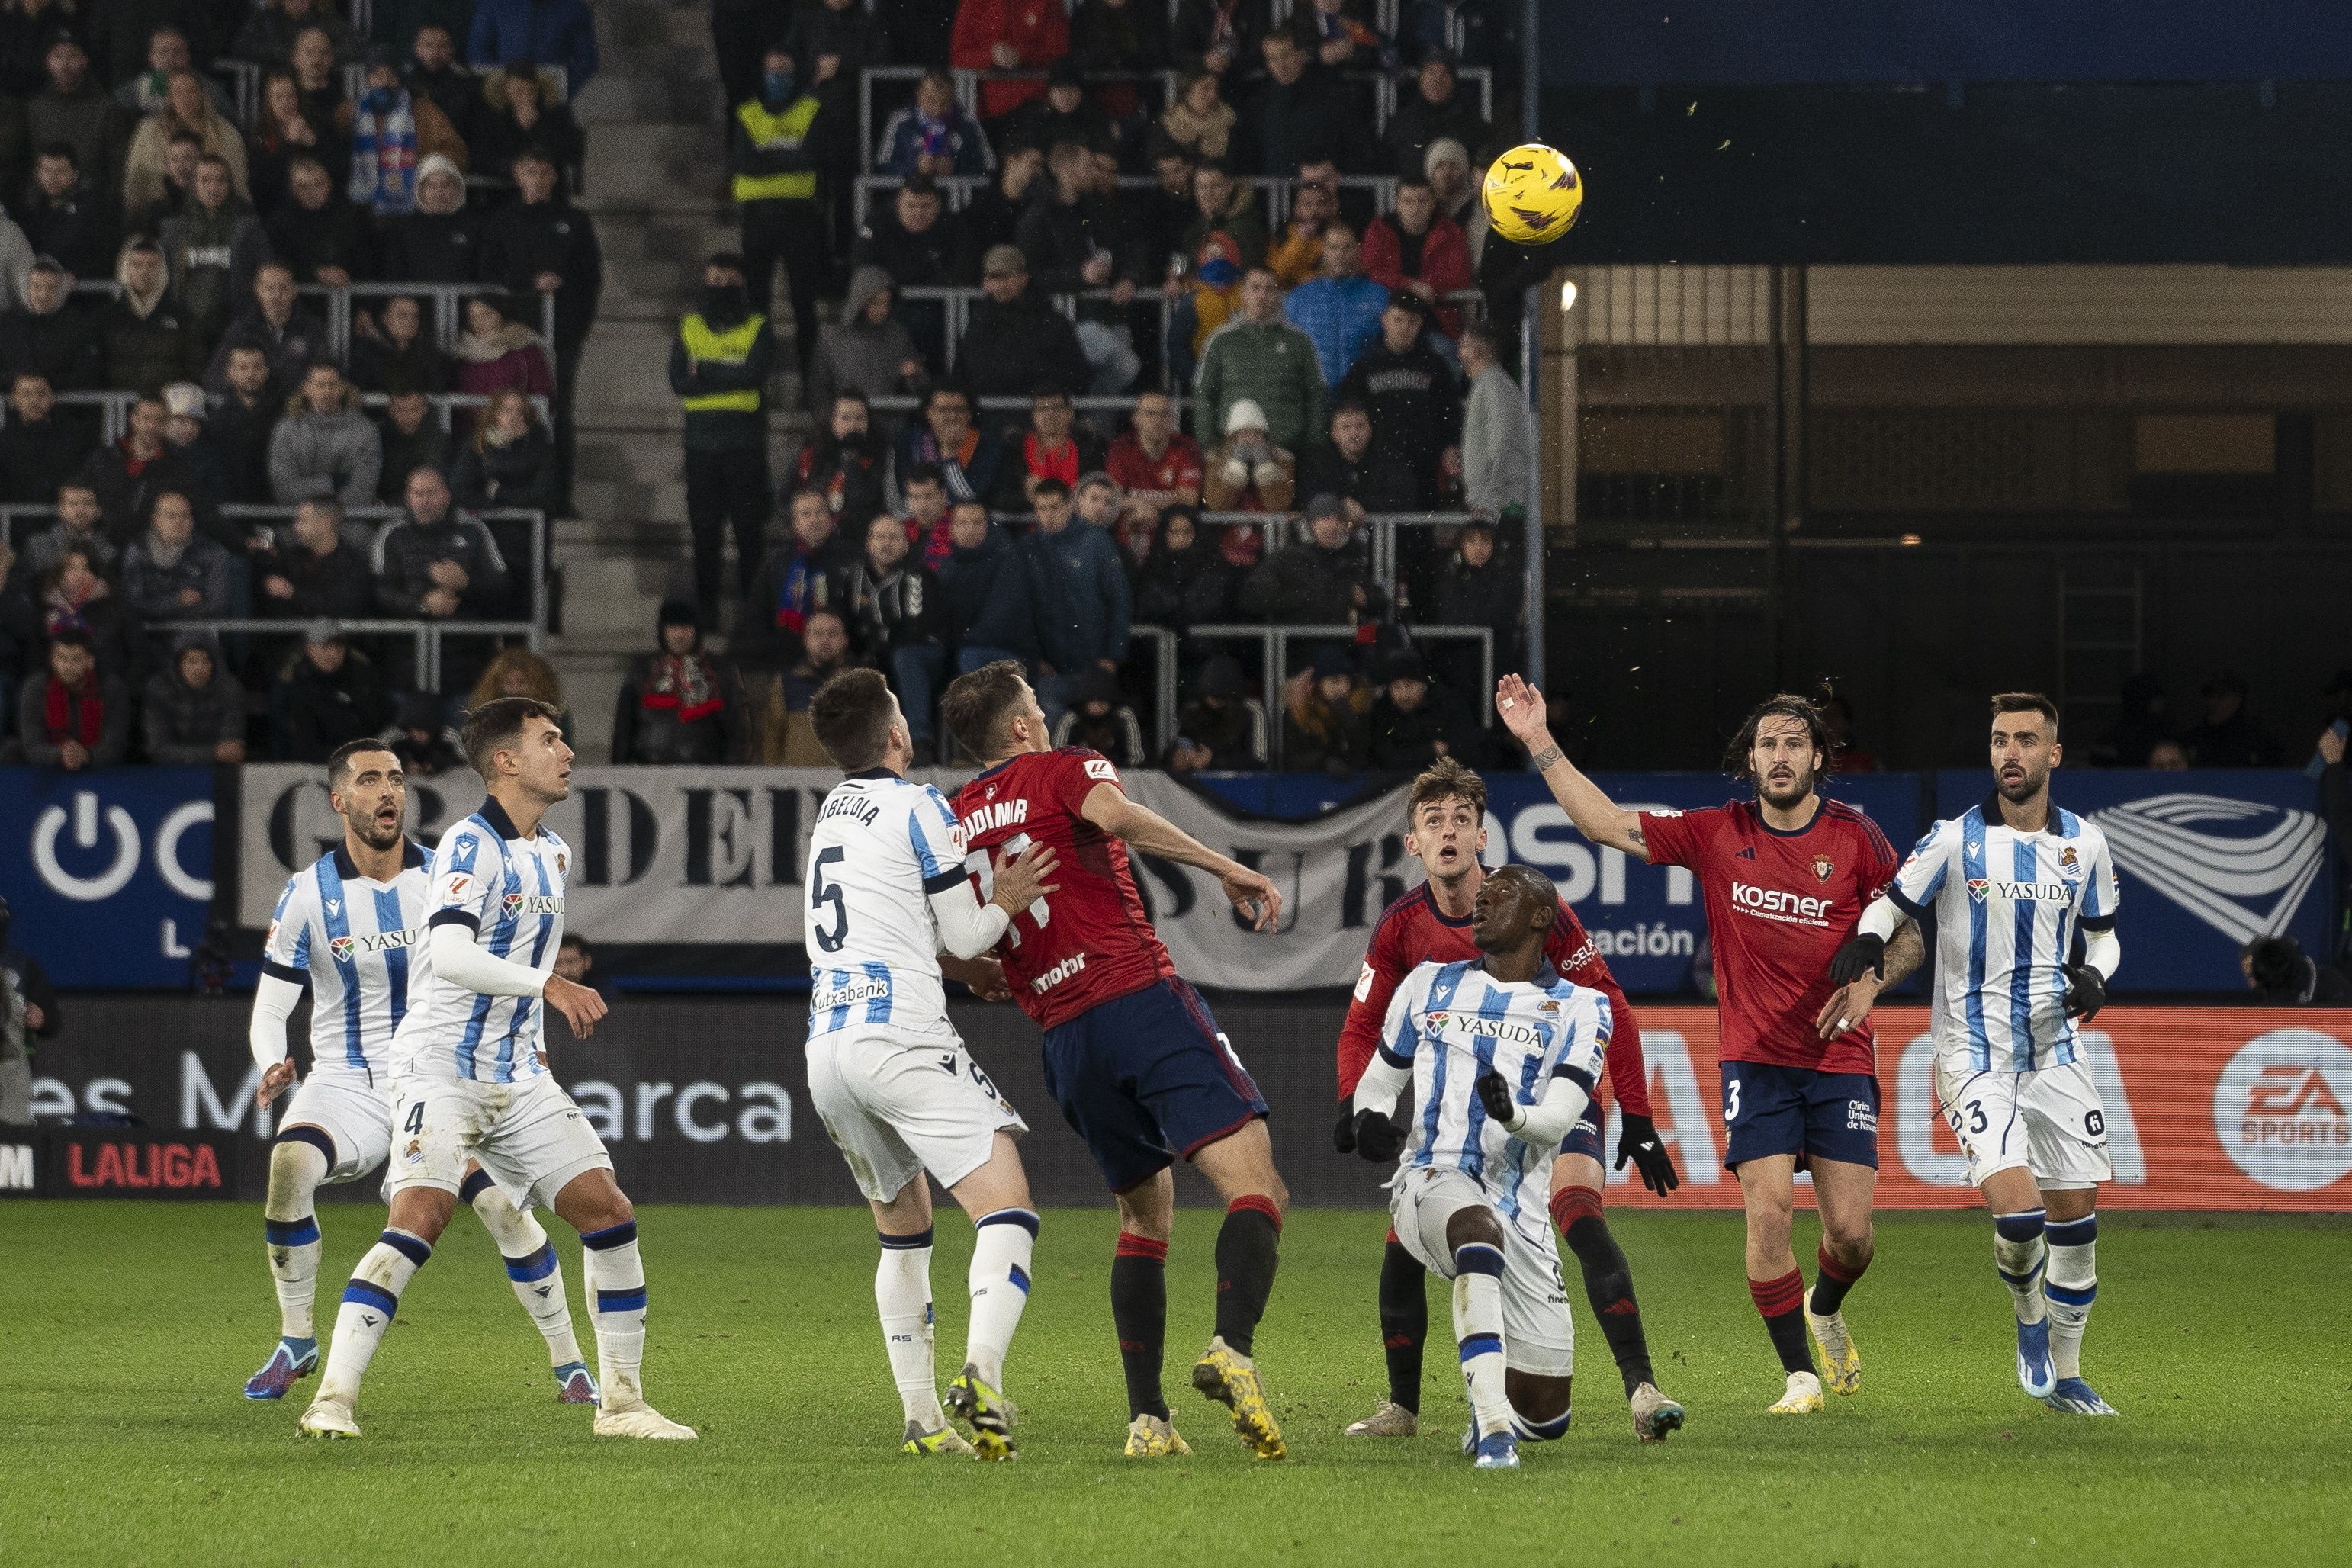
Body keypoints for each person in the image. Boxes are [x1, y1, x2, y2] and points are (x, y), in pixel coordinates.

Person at [1495, 675, 1921, 1415]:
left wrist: (1872, 983)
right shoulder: (1717, 831)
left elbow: (1910, 931)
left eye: (1794, 743)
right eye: (1767, 745)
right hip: (1753, 1059)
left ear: (1820, 755)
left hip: (1838, 1056)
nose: (1780, 756)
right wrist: (1538, 739)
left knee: (1851, 1234)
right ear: (1750, 760)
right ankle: (1800, 1376)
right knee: (1767, 1216)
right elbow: (1604, 824)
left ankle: (1825, 1304)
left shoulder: (1857, 838)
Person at [300, 699, 690, 1441]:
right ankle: (332, 1400)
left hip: (515, 1075)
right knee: (421, 1216)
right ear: (506, 761)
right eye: (549, 740)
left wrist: (533, 1033)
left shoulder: (552, 853)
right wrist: (548, 986)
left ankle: (624, 1405)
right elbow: (447, 954)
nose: (567, 750)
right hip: (439, 1069)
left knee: (608, 1211)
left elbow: (516, 960)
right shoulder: (469, 848)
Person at [941, 661, 1290, 1460]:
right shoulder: (1066, 768)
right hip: (1137, 999)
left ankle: (1148, 1420)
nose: (1045, 716)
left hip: (1066, 1044)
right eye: (1037, 706)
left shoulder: (953, 821)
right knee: (1257, 1185)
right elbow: (1120, 819)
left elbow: (952, 943)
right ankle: (1231, 1347)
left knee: (1143, 1216)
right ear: (1022, 727)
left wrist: (987, 972)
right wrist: (1228, 866)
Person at [1332, 761, 1682, 1442]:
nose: (1449, 832)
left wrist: (1636, 1112)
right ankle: (1404, 1409)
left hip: (1554, 1095)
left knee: (1578, 1212)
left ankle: (1641, 1387)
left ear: (1483, 836)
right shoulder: (1403, 930)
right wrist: (1359, 1105)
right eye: (1434, 822)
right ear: (1414, 844)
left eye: (1461, 819)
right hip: (1463, 1115)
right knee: (1402, 1244)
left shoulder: (1528, 905)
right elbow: (1362, 1027)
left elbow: (1609, 1001)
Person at [243, 735, 597, 1399]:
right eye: (371, 780)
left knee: (502, 1210)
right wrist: (272, 1062)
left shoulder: (448, 874)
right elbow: (271, 1006)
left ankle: (569, 1361)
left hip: (441, 1074)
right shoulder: (306, 895)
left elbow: (514, 963)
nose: (388, 792)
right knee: (289, 1166)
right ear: (339, 800)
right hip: (348, 1081)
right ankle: (297, 1339)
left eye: (397, 780)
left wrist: (536, 1047)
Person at [1833, 693, 2124, 1416]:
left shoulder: (2084, 844)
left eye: (2026, 740)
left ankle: (2070, 1373)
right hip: (1974, 1056)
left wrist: (2096, 974)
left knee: (2078, 1225)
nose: (2011, 753)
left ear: (2053, 754)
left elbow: (2106, 934)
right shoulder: (1954, 840)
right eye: (1999, 740)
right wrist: (1870, 942)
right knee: (2020, 1219)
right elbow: (1892, 904)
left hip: (2058, 1055)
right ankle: (2029, 1319)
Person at [801, 669, 1058, 1456]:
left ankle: (921, 1419)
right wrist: (1006, 901)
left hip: (826, 1046)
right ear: (897, 737)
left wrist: (953, 959)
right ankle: (981, 1372)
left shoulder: (829, 816)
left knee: (904, 1230)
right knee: (1007, 1205)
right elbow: (973, 930)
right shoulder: (920, 806)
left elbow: (885, 925)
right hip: (901, 1036)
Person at [1348, 863, 1626, 1469]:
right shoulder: (1427, 985)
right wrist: (1368, 1116)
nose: (1480, 903)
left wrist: (1513, 1115)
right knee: (1476, 1232)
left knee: (1548, 1417)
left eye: (1499, 896)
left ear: (1540, 917)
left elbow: (1556, 1121)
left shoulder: (1583, 1009)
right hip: (1430, 1178)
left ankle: (1508, 1415)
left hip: (1521, 1208)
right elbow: (1379, 1082)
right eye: (1481, 895)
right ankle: (1492, 1426)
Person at [480, 145, 601, 511]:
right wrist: (529, 283)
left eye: (545, 171)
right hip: (509, 339)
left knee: (556, 413)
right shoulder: (502, 221)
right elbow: (488, 271)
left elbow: (590, 280)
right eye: (530, 170)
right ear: (517, 175)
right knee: (502, 410)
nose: (538, 179)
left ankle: (558, 496)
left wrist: (572, 330)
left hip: (560, 338)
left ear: (554, 177)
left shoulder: (575, 222)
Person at [729, 40, 837, 366]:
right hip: (757, 220)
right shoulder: (747, 113)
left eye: (784, 70)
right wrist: (790, 155)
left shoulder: (810, 109)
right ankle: (759, 369)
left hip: (800, 220)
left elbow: (813, 159)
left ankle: (809, 376)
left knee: (803, 303)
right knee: (756, 302)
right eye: (772, 70)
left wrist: (768, 155)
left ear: (797, 72)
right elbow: (744, 164)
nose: (777, 76)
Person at [1336, 292, 1460, 508]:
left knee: (1420, 530)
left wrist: (1450, 444)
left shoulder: (1435, 365)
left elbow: (1449, 410)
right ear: (1384, 320)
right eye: (1398, 320)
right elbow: (1346, 410)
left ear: (1420, 323)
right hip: (1377, 465)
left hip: (1424, 463)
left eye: (1411, 321)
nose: (1404, 327)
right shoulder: (1365, 367)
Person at [843, 512, 949, 762]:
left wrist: (877, 641)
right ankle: (856, 745)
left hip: (922, 654)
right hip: (880, 653)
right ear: (869, 543)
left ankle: (920, 740)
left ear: (905, 544)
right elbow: (848, 620)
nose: (886, 543)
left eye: (893, 537)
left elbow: (915, 626)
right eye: (880, 537)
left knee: (905, 656)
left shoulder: (917, 574)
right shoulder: (855, 577)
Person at [1023, 478, 1129, 726]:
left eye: (1055, 507)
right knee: (1048, 739)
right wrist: (1035, 657)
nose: (1049, 515)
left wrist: (1112, 656)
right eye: (1042, 508)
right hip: (1050, 668)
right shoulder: (1029, 548)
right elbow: (1022, 609)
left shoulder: (1097, 543)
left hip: (1093, 665)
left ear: (1070, 505)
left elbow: (1119, 601)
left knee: (1092, 740)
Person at [1197, 266, 1324, 455]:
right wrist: (1209, 443)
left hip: (1287, 449)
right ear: (1243, 293)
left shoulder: (1299, 341)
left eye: (1270, 289)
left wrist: (1314, 444)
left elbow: (1316, 394)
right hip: (1231, 450)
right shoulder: (1221, 340)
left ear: (1278, 296)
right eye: (1256, 288)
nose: (1262, 295)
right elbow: (1205, 393)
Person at [852, 175, 974, 369]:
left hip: (934, 308)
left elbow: (963, 269)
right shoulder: (878, 222)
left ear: (938, 206)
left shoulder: (951, 226)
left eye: (925, 207)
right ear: (898, 204)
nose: (918, 214)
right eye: (911, 206)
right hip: (890, 305)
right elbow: (863, 266)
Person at [734, 486, 854, 674]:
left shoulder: (850, 559)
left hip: (839, 659)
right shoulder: (776, 562)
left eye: (820, 513)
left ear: (830, 519)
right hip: (786, 656)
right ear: (795, 523)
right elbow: (757, 612)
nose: (814, 520)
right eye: (806, 514)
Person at [610, 599, 742, 766]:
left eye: (686, 628)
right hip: (648, 777)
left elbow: (737, 735)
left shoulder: (718, 671)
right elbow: (623, 733)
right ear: (663, 630)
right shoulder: (642, 671)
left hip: (705, 778)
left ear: (697, 631)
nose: (680, 635)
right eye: (673, 628)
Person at [373, 466, 511, 620]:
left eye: (431, 493)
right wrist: (422, 605)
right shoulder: (392, 533)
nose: (424, 502)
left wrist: (467, 583)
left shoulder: (473, 529)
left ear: (447, 496)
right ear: (408, 498)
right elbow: (379, 591)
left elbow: (502, 587)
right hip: (408, 637)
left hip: (466, 635)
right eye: (417, 494)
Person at [956, 245, 1089, 403]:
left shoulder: (1052, 322)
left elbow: (1075, 375)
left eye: (1006, 277)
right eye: (994, 277)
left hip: (1040, 414)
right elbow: (966, 372)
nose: (1001, 285)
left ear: (1024, 278)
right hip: (990, 414)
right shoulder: (978, 323)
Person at [349, 46, 468, 216]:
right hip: (358, 208)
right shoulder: (349, 112)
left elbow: (456, 151)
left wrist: (426, 170)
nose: (384, 82)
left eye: (391, 76)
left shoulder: (425, 111)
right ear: (368, 79)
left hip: (415, 206)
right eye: (378, 75)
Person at [1239, 492, 1386, 624]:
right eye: (1326, 518)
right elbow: (1254, 598)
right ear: (1312, 524)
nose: (1333, 524)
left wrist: (1366, 601)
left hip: (1345, 641)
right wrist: (1307, 598)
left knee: (1380, 635)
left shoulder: (1348, 560)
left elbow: (1381, 602)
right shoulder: (1287, 559)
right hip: (1305, 642)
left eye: (1339, 519)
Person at [123, 67, 249, 216]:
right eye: (178, 92)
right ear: (169, 97)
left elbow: (238, 184)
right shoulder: (148, 132)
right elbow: (135, 182)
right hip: (157, 213)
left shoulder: (226, 133)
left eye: (191, 91)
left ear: (202, 94)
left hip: (213, 214)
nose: (185, 97)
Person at [936, 500, 1039, 679]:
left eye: (977, 522)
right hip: (963, 647)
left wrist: (957, 643)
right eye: (963, 523)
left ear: (988, 526)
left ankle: (974, 707)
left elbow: (999, 620)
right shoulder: (946, 568)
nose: (970, 529)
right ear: (951, 529)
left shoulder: (1006, 561)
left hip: (1007, 651)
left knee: (969, 657)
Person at [1283, 226, 1393, 394]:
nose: (1340, 255)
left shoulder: (1378, 295)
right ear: (1324, 250)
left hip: (1362, 396)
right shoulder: (1299, 298)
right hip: (1313, 395)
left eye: (1346, 247)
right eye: (1333, 248)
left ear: (1358, 250)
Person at [1240, 27, 1361, 179]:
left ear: (1301, 54)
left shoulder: (1330, 95)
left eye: (1286, 55)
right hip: (1272, 196)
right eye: (1273, 58)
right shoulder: (1256, 103)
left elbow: (1353, 146)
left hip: (1318, 191)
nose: (1281, 65)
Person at [808, 264, 924, 416]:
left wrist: (913, 375)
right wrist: (831, 423)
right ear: (860, 302)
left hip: (889, 425)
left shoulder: (897, 336)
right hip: (846, 426)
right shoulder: (832, 338)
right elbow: (819, 389)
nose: (883, 310)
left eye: (887, 303)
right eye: (876, 303)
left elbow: (921, 388)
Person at [1364, 176, 1473, 337]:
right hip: (1385, 320)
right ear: (1398, 204)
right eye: (1408, 201)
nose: (1415, 208)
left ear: (1433, 203)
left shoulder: (1451, 232)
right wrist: (1410, 285)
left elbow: (1459, 276)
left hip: (1437, 321)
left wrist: (1430, 287)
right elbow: (1370, 271)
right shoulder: (1379, 229)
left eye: (1422, 201)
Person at [26, 33, 128, 201]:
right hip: (44, 203)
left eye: (72, 55)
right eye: (58, 56)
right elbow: (31, 159)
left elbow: (118, 165)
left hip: (91, 202)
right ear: (48, 62)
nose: (64, 64)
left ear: (84, 60)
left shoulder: (106, 108)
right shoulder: (36, 107)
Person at [203, 261, 329, 396]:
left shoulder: (311, 328)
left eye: (283, 288)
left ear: (293, 291)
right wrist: (244, 383)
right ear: (258, 290)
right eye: (270, 288)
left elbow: (326, 373)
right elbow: (213, 378)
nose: (276, 295)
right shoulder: (241, 330)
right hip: (253, 411)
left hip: (296, 411)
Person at [270, 361, 383, 509]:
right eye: (320, 385)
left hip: (350, 519)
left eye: (333, 385)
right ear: (307, 388)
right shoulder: (286, 430)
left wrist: (326, 515)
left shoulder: (366, 431)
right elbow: (285, 490)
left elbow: (362, 491)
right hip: (297, 519)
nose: (327, 392)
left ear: (343, 388)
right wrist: (332, 483)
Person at [275, 622, 393, 761]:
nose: (332, 653)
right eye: (325, 647)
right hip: (318, 768)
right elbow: (304, 746)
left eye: (338, 647)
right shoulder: (296, 684)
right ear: (309, 648)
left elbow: (383, 717)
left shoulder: (362, 676)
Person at [765, 606, 864, 765]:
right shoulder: (786, 682)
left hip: (847, 785)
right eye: (818, 633)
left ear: (845, 640)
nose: (825, 640)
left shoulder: (861, 683)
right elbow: (772, 737)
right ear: (806, 639)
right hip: (796, 785)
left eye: (832, 634)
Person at [18, 628, 130, 770]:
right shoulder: (36, 688)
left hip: (100, 769)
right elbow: (31, 745)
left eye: (76, 659)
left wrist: (87, 755)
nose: (68, 667)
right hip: (49, 768)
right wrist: (60, 755)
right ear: (53, 661)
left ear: (90, 661)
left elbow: (115, 745)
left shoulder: (112, 689)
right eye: (62, 658)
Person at [120, 490, 231, 631]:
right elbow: (133, 602)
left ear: (192, 521)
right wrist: (177, 601)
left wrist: (164, 611)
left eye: (184, 516)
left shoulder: (213, 552)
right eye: (171, 516)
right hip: (145, 631)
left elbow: (217, 604)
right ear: (156, 520)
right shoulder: (137, 550)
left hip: (194, 630)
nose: (178, 522)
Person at [99, 237, 197, 395]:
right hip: (118, 409)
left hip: (166, 409)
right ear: (125, 268)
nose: (144, 272)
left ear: (162, 269)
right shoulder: (107, 317)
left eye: (151, 265)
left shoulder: (181, 317)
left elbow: (194, 365)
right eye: (137, 265)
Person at [0, 893, 63, 1126]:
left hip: (10, 1069)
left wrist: (42, 1019)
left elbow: (54, 1021)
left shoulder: (22, 964)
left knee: (12, 1138)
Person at [894, 384, 1005, 512]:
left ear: (969, 414)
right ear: (929, 413)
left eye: (959, 409)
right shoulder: (909, 442)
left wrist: (949, 454)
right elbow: (908, 496)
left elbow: (971, 501)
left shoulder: (986, 444)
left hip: (968, 525)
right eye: (944, 410)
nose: (952, 417)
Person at [950, 0, 1068, 120]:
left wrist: (1021, 56)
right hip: (984, 110)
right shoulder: (973, 3)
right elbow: (958, 56)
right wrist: (990, 56)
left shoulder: (1048, 3)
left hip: (1036, 107)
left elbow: (1059, 54)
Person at [1457, 324, 1528, 519]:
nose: (1459, 352)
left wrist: (1490, 500)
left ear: (1477, 349)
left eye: (1464, 345)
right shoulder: (1490, 385)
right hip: (1496, 502)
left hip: (1499, 504)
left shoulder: (1493, 386)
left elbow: (1502, 443)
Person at [262, 499, 374, 622]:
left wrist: (292, 594)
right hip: (295, 637)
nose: (296, 527)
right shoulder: (291, 559)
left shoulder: (354, 564)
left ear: (325, 524)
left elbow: (343, 609)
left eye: (303, 521)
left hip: (341, 637)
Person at [1383, 51, 1488, 182]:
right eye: (1431, 73)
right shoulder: (1401, 123)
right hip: (1415, 198)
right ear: (1421, 78)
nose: (1437, 80)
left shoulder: (1473, 125)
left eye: (1444, 74)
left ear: (1453, 80)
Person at [139, 631, 243, 763]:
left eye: (205, 661)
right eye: (191, 661)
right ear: (178, 664)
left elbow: (230, 750)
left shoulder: (230, 689)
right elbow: (157, 749)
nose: (199, 668)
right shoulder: (158, 689)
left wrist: (217, 754)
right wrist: (212, 753)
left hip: (217, 772)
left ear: (215, 664)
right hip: (166, 772)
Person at [1107, 390, 1203, 532]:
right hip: (1131, 529)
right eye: (1150, 413)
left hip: (1170, 533)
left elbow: (1188, 502)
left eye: (1164, 414)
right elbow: (1113, 498)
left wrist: (1141, 506)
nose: (1158, 421)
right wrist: (1146, 507)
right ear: (1136, 419)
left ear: (1173, 419)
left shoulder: (1187, 448)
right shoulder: (1121, 447)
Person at [793, 392, 888, 535]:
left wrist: (850, 456)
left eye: (860, 418)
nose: (853, 425)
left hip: (863, 536)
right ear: (833, 422)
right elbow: (786, 497)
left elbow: (861, 500)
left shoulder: (881, 455)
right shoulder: (812, 452)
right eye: (845, 418)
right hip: (817, 534)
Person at [448, 388, 555, 516]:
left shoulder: (539, 446)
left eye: (520, 411)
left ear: (526, 416)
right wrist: (494, 506)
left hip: (528, 525)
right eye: (507, 410)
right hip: (485, 520)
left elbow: (542, 495)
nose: (513, 416)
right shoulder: (477, 442)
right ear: (495, 413)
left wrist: (497, 492)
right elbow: (460, 489)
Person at [204, 346, 288, 506]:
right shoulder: (217, 421)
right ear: (231, 372)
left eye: (256, 367)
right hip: (232, 508)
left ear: (266, 371)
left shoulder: (285, 415)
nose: (250, 374)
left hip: (276, 506)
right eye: (243, 367)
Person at [379, 154, 482, 282]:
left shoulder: (475, 227)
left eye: (446, 185)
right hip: (414, 301)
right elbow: (393, 270)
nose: (438, 193)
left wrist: (479, 300)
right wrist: (400, 297)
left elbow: (486, 272)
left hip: (463, 301)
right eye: (431, 186)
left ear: (458, 187)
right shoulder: (403, 228)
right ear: (420, 190)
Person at [0, 259, 100, 391]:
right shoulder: (5, 324)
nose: (44, 295)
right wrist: (18, 383)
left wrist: (47, 384)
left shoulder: (76, 325)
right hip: (9, 409)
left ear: (60, 290)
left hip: (62, 408)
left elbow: (88, 372)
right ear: (26, 288)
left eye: (51, 288)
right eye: (37, 287)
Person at [873, 68, 992, 178]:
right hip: (914, 197)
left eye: (945, 102)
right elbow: (881, 168)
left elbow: (989, 167)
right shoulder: (901, 122)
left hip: (958, 199)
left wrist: (955, 169)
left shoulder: (968, 123)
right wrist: (915, 168)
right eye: (932, 101)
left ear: (953, 97)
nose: (938, 109)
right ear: (920, 95)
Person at [18, 142, 111, 280]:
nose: (53, 178)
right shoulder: (30, 210)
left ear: (75, 174)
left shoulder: (93, 208)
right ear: (38, 174)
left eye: (61, 171)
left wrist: (78, 273)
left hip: (83, 294)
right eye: (47, 170)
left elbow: (103, 254)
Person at [1, 372, 96, 504]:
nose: (34, 401)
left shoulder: (72, 437)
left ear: (51, 398)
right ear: (15, 399)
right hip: (15, 519)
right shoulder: (3, 441)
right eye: (27, 394)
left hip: (62, 516)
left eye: (41, 393)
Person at [1164, 652, 1262, 770]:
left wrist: (1213, 761)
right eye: (1208, 695)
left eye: (1218, 697)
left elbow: (1259, 762)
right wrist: (1178, 759)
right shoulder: (1193, 710)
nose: (1212, 701)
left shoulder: (1251, 711)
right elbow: (1178, 746)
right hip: (1195, 783)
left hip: (1238, 783)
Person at [468, 0, 598, 89]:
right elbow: (478, 51)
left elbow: (586, 60)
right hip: (501, 100)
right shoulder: (494, 4)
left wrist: (562, 91)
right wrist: (497, 90)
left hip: (551, 99)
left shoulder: (574, 9)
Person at [451, 293, 555, 402]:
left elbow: (541, 392)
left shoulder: (524, 348)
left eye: (486, 315)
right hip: (471, 418)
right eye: (473, 317)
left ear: (500, 314)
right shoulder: (462, 351)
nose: (479, 322)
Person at [1364, 651, 1454, 768]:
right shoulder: (1383, 712)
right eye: (1396, 686)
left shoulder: (1446, 707)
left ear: (1423, 685)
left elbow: (1465, 753)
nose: (1403, 694)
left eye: (1408, 685)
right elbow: (1383, 757)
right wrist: (1429, 751)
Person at [349, 294, 451, 394]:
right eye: (402, 315)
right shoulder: (366, 352)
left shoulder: (428, 353)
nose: (410, 321)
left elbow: (438, 388)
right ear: (385, 319)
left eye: (415, 316)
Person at [2180, 670, 2283, 766]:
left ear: (2238, 700)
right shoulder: (2193, 739)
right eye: (2210, 695)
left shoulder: (2258, 740)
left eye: (2222, 696)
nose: (2214, 702)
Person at [1050, 665, 1145, 765]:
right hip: (1079, 775)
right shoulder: (1071, 719)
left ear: (1110, 703)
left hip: (1120, 774)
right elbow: (1057, 759)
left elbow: (1136, 757)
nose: (1097, 707)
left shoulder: (1123, 716)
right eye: (1092, 702)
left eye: (1102, 703)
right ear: (1084, 703)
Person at [2242, 934, 2352, 1005]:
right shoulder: (2260, 998)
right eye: (2248, 976)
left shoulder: (2330, 983)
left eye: (2254, 975)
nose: (2252, 984)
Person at [1157, 71, 1235, 165]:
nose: (1213, 96)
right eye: (1205, 89)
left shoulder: (1230, 121)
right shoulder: (1167, 126)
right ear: (1186, 93)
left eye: (1216, 89)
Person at [385, 690, 468, 776]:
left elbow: (466, 760)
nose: (424, 735)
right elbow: (374, 756)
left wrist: (437, 764)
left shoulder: (447, 735)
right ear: (409, 729)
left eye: (428, 730)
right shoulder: (396, 734)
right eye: (418, 730)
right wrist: (404, 763)